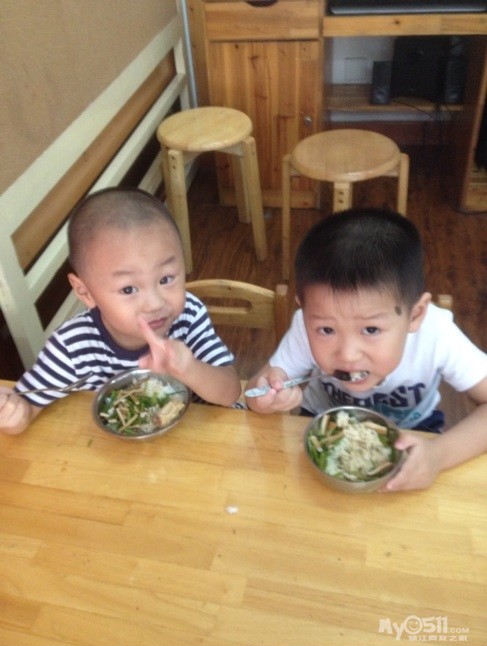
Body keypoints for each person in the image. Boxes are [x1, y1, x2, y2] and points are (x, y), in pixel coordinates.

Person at [246, 207, 487, 491]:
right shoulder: (305, 326)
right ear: (305, 309)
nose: (348, 355)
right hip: (321, 431)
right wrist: (264, 398)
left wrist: (438, 455)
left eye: (371, 330)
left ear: (415, 314)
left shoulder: (436, 334)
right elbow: (256, 390)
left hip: (415, 436)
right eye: (327, 330)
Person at [0, 187, 241, 435]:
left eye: (165, 279)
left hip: (201, 437)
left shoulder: (188, 316)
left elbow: (231, 391)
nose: (155, 304)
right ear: (85, 292)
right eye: (128, 289)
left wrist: (189, 368)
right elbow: (27, 404)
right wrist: (14, 414)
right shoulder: (72, 347)